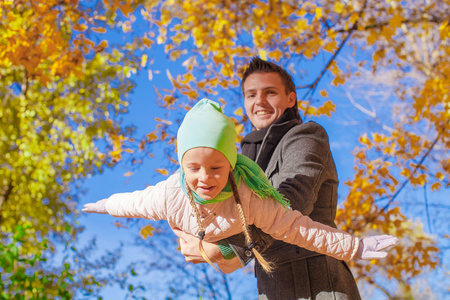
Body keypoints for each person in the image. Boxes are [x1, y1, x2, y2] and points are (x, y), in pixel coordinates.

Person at [83, 98, 397, 277]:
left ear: (232, 165)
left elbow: (299, 228)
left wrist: (355, 246)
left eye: (216, 167)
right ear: (181, 165)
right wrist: (105, 204)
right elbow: (134, 202)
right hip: (195, 233)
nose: (205, 177)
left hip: (228, 243)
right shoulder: (170, 193)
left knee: (220, 254)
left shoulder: (249, 198)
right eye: (193, 168)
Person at [176, 57, 365, 299]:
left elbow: (294, 199)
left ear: (291, 99)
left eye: (270, 92)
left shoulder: (306, 135)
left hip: (317, 283)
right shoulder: (242, 163)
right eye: (251, 95)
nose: (260, 101)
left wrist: (228, 247)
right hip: (270, 288)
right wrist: (199, 234)